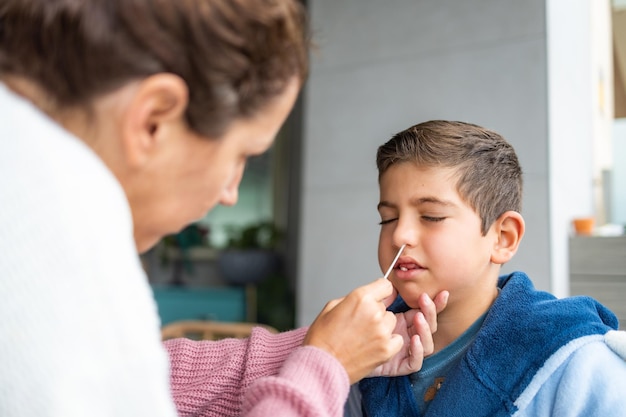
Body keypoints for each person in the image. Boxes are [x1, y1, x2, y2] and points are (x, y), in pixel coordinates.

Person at [0, 1, 450, 417]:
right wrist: (326, 365)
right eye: (240, 154)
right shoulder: (52, 258)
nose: (230, 193)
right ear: (154, 118)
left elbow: (145, 375)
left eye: (431, 215)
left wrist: (316, 349)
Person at [345, 120, 626, 417]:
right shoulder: (363, 355)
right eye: (387, 219)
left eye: (431, 216)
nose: (400, 235)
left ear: (503, 238)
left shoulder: (578, 366)